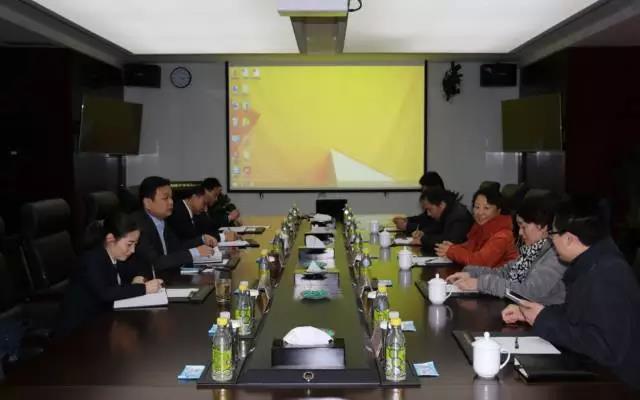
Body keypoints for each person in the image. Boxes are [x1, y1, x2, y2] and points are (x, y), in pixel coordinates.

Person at [501, 197, 640, 389]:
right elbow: (577, 314)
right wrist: (532, 313)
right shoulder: (594, 262)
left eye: (553, 234)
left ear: (569, 239)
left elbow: (604, 347)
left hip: (615, 385)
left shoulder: (606, 275)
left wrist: (543, 319)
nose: (550, 240)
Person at [55, 212, 164, 337]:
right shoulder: (92, 260)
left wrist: (139, 277)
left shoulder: (119, 255)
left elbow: (143, 265)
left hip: (105, 323)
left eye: (135, 244)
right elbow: (106, 293)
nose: (133, 250)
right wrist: (144, 288)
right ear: (111, 239)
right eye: (129, 244)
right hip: (79, 331)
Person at [447, 196, 566, 305]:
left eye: (523, 226)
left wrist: (480, 283)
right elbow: (505, 273)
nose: (520, 233)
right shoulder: (531, 250)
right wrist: (471, 273)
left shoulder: (556, 256)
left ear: (543, 227)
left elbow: (529, 292)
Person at [134, 176, 216, 272]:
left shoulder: (162, 220)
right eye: (165, 198)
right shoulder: (137, 226)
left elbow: (177, 247)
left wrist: (202, 239)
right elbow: (156, 263)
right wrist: (194, 253)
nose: (171, 202)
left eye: (171, 198)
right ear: (147, 203)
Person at [436, 187, 517, 267]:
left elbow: (481, 262)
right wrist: (452, 248)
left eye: (486, 208)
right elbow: (470, 249)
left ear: (499, 211)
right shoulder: (479, 228)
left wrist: (452, 251)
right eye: (477, 207)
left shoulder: (503, 235)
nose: (480, 213)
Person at [410, 187, 473, 253]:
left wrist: (423, 240)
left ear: (442, 205)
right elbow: (437, 227)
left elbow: (450, 241)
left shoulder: (458, 216)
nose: (428, 214)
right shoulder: (447, 211)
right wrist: (422, 232)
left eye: (430, 209)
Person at [167, 185, 237, 243]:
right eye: (204, 203)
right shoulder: (178, 212)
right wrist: (223, 237)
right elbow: (191, 238)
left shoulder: (192, 211)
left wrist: (223, 235)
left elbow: (204, 231)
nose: (205, 208)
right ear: (194, 197)